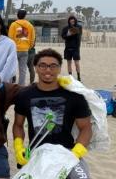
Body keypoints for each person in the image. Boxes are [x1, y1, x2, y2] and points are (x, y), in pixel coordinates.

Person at [13, 48, 92, 178]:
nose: (48, 70)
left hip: (67, 152)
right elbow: (18, 124)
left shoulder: (74, 96)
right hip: (36, 152)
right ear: (36, 68)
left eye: (53, 66)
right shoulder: (24, 95)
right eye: (42, 65)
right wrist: (18, 147)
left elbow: (86, 128)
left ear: (60, 68)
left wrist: (76, 152)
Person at [8, 9, 36, 85]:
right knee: (23, 69)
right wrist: (29, 46)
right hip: (25, 50)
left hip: (14, 50)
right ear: (25, 16)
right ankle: (21, 86)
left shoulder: (13, 25)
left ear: (17, 15)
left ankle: (10, 84)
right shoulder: (30, 25)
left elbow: (10, 37)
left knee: (11, 67)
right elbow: (33, 38)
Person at [61, 16, 83, 81]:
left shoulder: (79, 27)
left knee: (77, 63)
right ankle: (70, 77)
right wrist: (68, 35)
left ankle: (79, 77)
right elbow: (63, 36)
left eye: (73, 21)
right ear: (69, 21)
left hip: (76, 48)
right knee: (69, 63)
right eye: (71, 21)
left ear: (75, 21)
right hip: (68, 48)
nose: (72, 22)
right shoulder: (65, 28)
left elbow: (79, 36)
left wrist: (74, 32)